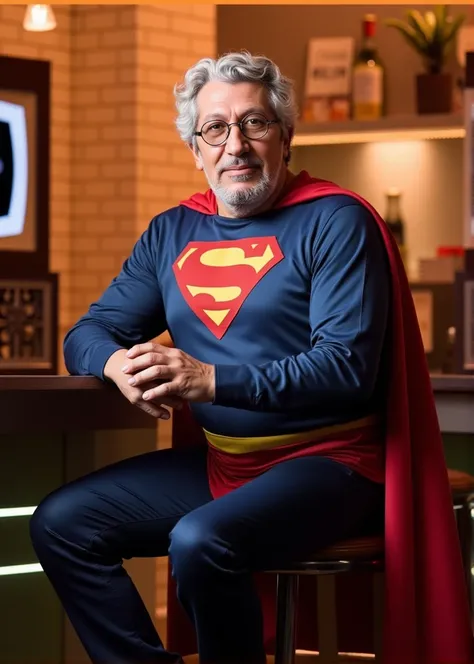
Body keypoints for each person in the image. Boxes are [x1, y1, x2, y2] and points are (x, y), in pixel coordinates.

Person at [29, 51, 473, 664]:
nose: (235, 144)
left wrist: (208, 379)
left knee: (200, 540)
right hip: (225, 467)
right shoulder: (172, 231)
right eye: (215, 128)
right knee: (61, 522)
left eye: (255, 124)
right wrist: (115, 365)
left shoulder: (337, 221)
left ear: (285, 137)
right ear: (196, 148)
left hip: (334, 465)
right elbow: (89, 331)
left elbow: (344, 369)